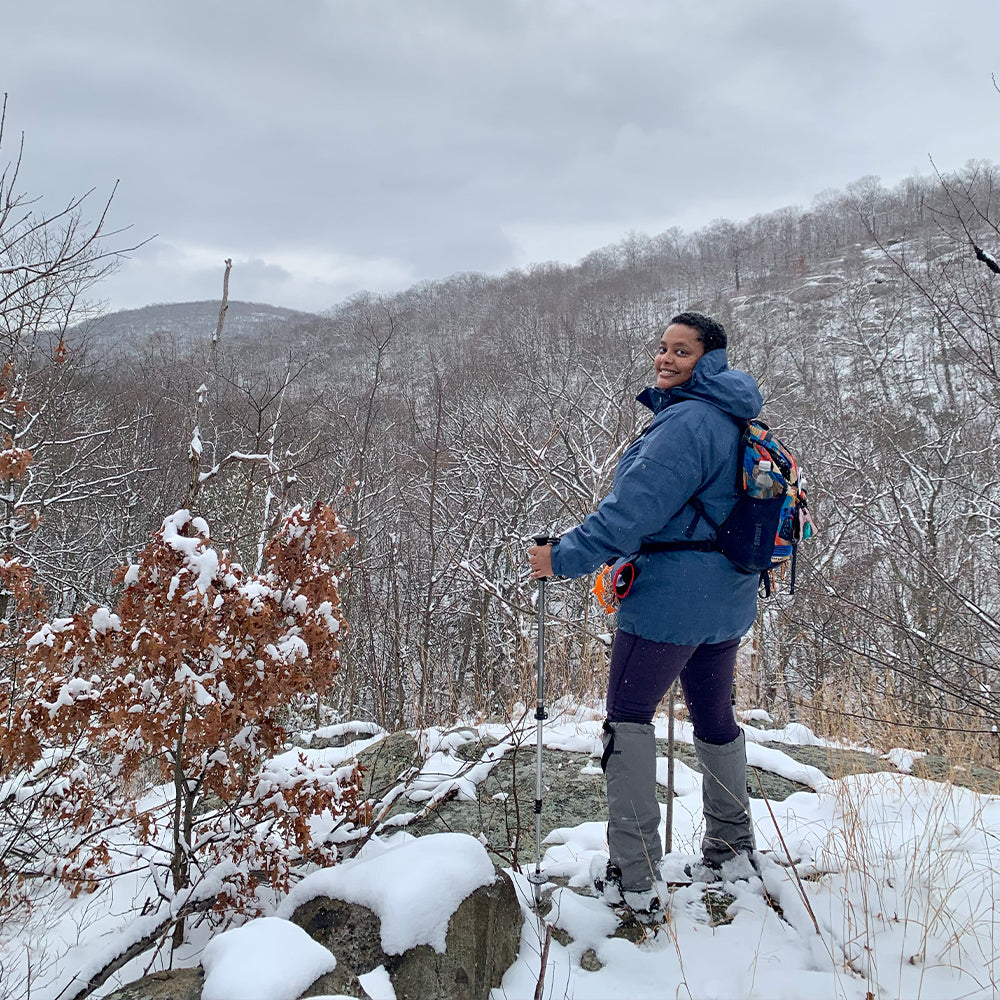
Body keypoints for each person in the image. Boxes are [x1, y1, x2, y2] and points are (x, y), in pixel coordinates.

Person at [528, 310, 763, 917]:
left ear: (708, 361)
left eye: (682, 351)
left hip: (669, 601)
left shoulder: (686, 423)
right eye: (663, 347)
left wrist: (561, 557)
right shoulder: (734, 417)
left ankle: (634, 879)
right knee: (714, 716)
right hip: (727, 595)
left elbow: (630, 514)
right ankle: (732, 851)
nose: (665, 358)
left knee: (629, 719)